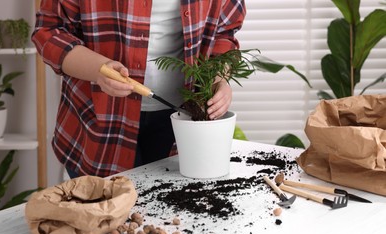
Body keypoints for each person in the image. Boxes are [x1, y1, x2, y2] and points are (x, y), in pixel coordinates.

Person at [32, 0, 246, 178]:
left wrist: (219, 78)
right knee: (107, 224)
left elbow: (224, 33)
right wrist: (98, 69)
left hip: (184, 122)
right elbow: (50, 31)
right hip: (98, 123)